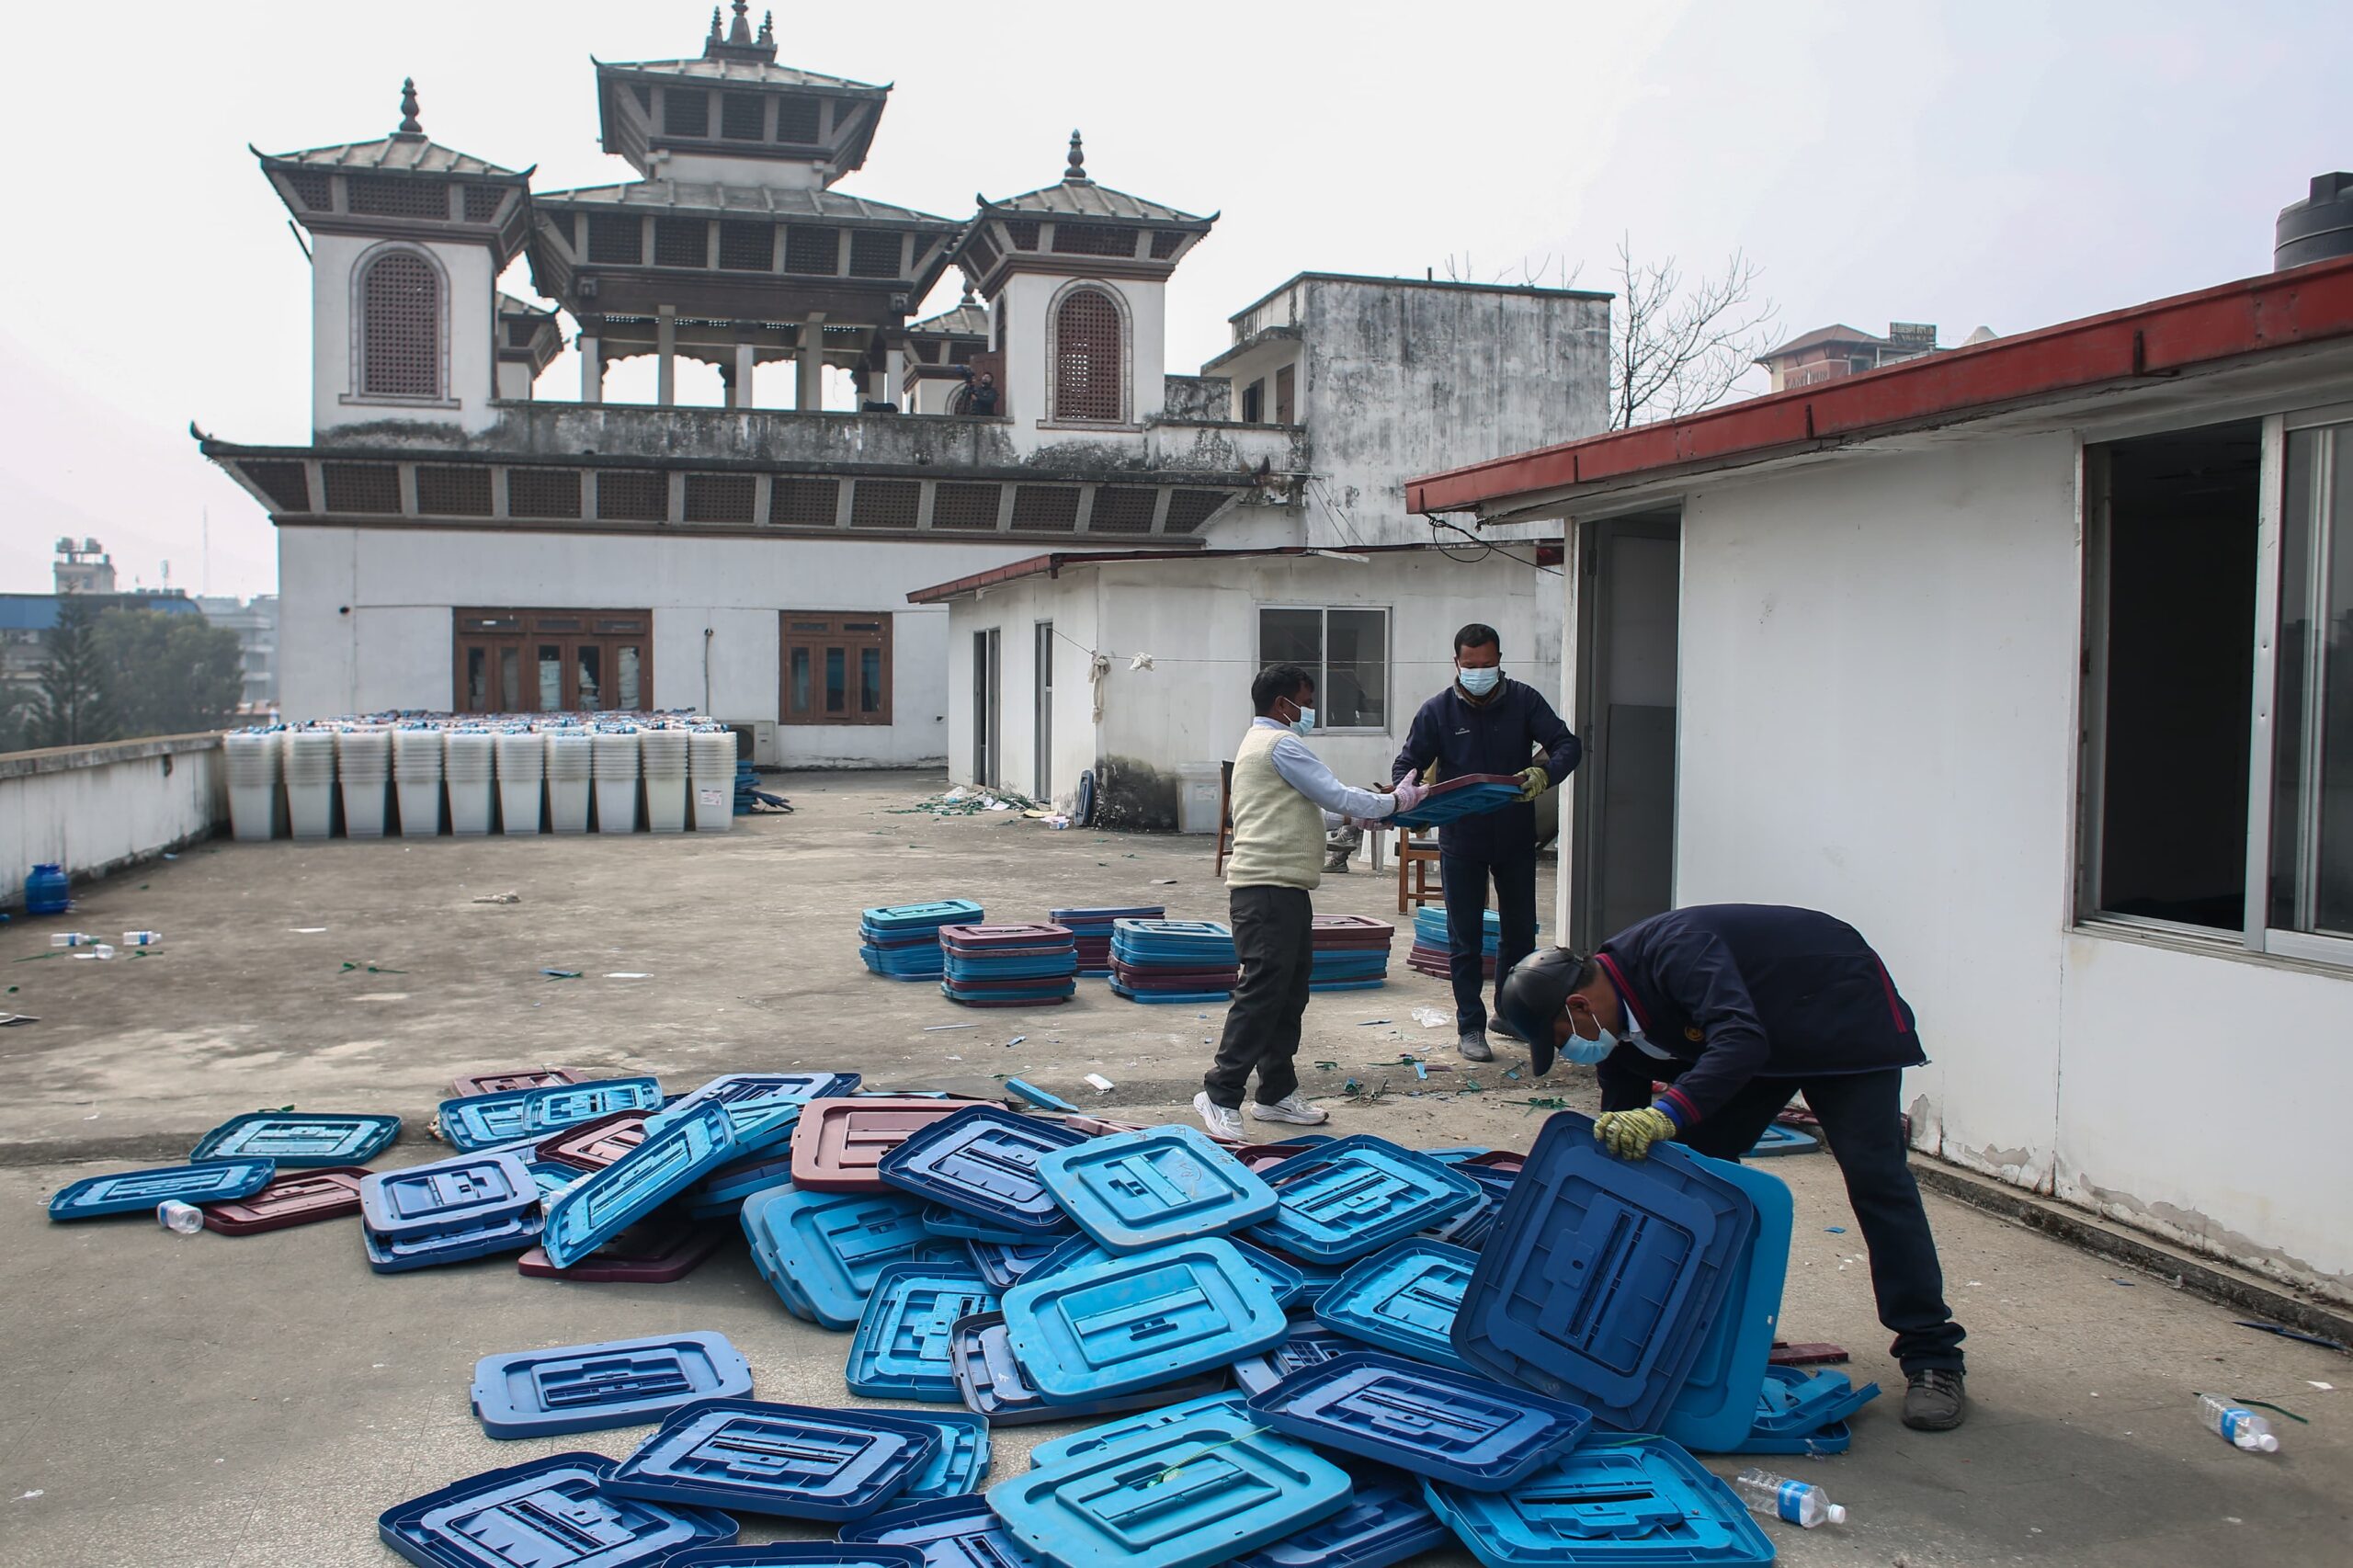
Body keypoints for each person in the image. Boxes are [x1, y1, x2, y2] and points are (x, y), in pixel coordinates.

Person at [1495, 903, 1970, 1432]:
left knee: (1876, 1180)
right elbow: (1629, 1138)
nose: (1567, 1051)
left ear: (1579, 1006)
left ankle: (1932, 1354)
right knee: (1696, 1172)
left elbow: (1740, 1041)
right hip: (1759, 1033)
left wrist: (1666, 1114)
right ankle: (1696, 1333)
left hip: (1838, 1009)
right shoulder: (1617, 1033)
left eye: (1560, 1039)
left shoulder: (1676, 949)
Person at [1197, 663, 1428, 1138]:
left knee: (1288, 993)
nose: (1310, 710)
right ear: (1283, 704)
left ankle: (1276, 1094)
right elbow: (1336, 793)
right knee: (1262, 993)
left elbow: (1301, 811)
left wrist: (1356, 820)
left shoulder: (1257, 745)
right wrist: (1395, 803)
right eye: (1306, 699)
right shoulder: (1281, 744)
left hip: (1284, 889)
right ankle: (1220, 1093)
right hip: (1265, 891)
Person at [1392, 623, 1580, 1063]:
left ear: (1500, 661)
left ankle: (1510, 1014)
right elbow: (1409, 761)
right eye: (1470, 665)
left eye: (1488, 664)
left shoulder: (1524, 701)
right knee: (1466, 939)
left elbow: (1566, 744)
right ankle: (1471, 1027)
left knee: (1519, 933)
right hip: (1462, 837)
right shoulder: (1437, 711)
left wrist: (1546, 773)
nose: (1479, 671)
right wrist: (1407, 797)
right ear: (1456, 663)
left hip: (1515, 834)